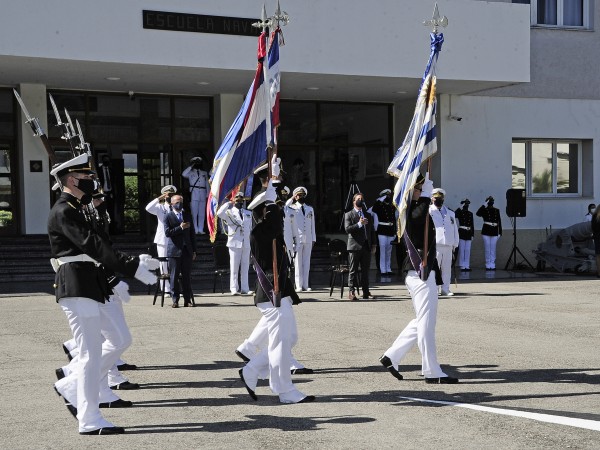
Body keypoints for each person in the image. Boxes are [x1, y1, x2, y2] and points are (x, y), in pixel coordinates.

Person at [48, 153, 159, 435]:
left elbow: (100, 243)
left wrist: (128, 265)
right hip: (75, 284)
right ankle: (88, 418)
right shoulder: (63, 210)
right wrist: (131, 266)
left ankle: (74, 389)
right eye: (86, 178)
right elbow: (92, 245)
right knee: (89, 355)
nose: (91, 182)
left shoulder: (77, 207)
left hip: (91, 283)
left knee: (116, 340)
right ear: (72, 180)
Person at [238, 174, 315, 404]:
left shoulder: (270, 228)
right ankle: (285, 390)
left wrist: (271, 195)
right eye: (272, 209)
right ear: (263, 211)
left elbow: (277, 227)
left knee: (290, 337)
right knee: (281, 342)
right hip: (270, 293)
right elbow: (273, 226)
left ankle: (251, 370)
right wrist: (270, 200)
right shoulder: (259, 233)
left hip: (281, 293)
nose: (279, 214)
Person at [379, 173, 458, 384]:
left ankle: (392, 356)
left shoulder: (414, 211)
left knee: (423, 319)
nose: (423, 192)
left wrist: (424, 190)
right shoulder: (411, 213)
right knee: (426, 322)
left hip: (421, 272)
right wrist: (425, 192)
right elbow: (421, 214)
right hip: (419, 272)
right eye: (419, 188)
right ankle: (432, 371)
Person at [217, 191, 253, 295]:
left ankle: (245, 288)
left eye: (241, 199)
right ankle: (234, 288)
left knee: (245, 266)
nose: (239, 201)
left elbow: (249, 228)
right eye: (237, 199)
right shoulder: (229, 213)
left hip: (246, 242)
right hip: (234, 242)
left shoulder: (248, 213)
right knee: (234, 266)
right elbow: (219, 214)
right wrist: (228, 203)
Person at [164, 194, 197, 308]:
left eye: (181, 201)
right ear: (172, 203)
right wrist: (180, 228)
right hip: (174, 251)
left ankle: (187, 300)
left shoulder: (187, 215)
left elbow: (192, 234)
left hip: (187, 250)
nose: (179, 204)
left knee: (186, 276)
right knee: (174, 276)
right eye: (177, 202)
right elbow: (167, 232)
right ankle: (175, 300)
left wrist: (194, 250)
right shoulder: (168, 216)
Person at [145, 185, 177, 293]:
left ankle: (174, 287)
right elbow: (148, 208)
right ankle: (165, 288)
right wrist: (159, 198)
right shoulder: (160, 207)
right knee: (164, 264)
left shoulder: (176, 207)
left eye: (172, 195)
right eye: (168, 195)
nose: (170, 197)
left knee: (174, 264)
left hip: (174, 239)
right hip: (163, 239)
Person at [344, 193, 375, 300]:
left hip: (366, 246)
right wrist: (359, 224)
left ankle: (366, 292)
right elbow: (347, 229)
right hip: (354, 246)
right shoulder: (349, 214)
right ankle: (351, 292)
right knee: (353, 270)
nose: (360, 200)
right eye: (358, 199)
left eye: (362, 199)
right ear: (353, 201)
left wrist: (374, 244)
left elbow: (372, 231)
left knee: (365, 271)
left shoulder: (368, 215)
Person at [429, 188, 459, 296]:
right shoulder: (429, 211)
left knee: (447, 268)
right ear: (432, 198)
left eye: (440, 198)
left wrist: (455, 243)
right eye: (436, 198)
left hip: (448, 244)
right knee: (435, 268)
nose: (438, 200)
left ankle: (446, 288)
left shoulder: (450, 213)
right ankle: (435, 289)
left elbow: (454, 228)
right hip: (436, 244)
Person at [289, 186, 316, 292]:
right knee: (298, 263)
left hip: (308, 238)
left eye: (302, 195)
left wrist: (313, 238)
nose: (301, 197)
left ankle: (305, 284)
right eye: (299, 195)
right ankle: (298, 285)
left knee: (306, 262)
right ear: (295, 196)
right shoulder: (292, 208)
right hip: (297, 238)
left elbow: (312, 224)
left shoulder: (310, 208)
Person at [371, 188, 396, 276]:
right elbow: (373, 209)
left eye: (389, 195)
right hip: (382, 229)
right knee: (382, 249)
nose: (388, 197)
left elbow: (394, 218)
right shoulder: (379, 205)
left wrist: (395, 231)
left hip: (390, 229)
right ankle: (383, 269)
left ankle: (388, 268)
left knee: (389, 250)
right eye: (386, 195)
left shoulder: (391, 205)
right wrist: (379, 200)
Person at [182, 156, 208, 234]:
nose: (197, 164)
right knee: (194, 212)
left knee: (202, 212)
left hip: (202, 192)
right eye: (196, 163)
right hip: (194, 193)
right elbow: (183, 174)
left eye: (198, 163)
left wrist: (207, 194)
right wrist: (191, 166)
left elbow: (207, 184)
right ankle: (195, 229)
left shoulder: (204, 173)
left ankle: (200, 229)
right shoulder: (190, 172)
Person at [476, 196, 503, 270]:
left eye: (492, 201)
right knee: (488, 248)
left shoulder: (496, 210)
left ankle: (492, 263)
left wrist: (500, 232)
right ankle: (488, 263)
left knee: (493, 248)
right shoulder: (484, 210)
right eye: (489, 201)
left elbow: (499, 221)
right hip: (486, 230)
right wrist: (484, 205)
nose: (491, 202)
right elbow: (478, 213)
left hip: (494, 230)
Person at [455, 199, 475, 272]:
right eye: (465, 204)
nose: (467, 206)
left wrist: (472, 234)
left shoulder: (470, 213)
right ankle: (462, 265)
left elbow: (472, 224)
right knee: (462, 249)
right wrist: (460, 207)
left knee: (467, 250)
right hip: (462, 232)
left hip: (468, 232)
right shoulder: (460, 212)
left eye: (467, 204)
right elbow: (455, 214)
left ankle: (467, 265)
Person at [591, 205, 600, 277]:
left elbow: (593, 228)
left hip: (597, 238)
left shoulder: (594, 217)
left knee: (598, 256)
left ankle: (599, 273)